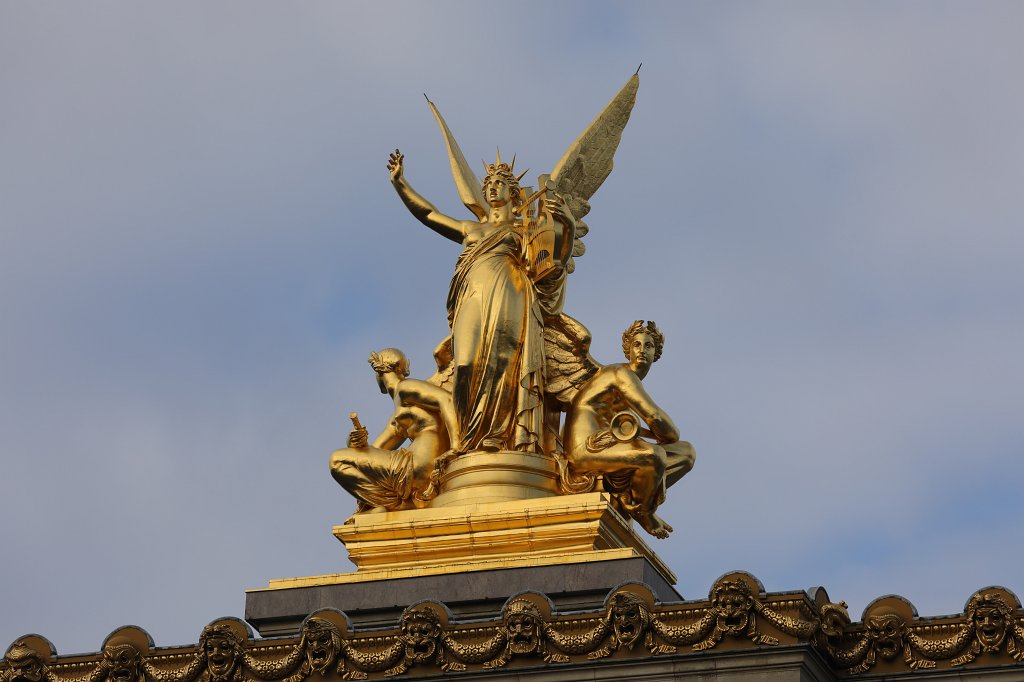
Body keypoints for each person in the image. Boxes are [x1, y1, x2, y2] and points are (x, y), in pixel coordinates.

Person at [387, 150, 575, 454]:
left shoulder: (525, 229)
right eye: (488, 183)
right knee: (465, 364)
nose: (492, 187)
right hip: (472, 296)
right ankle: (467, 438)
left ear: (513, 193)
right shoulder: (470, 229)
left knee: (505, 363)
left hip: (510, 294)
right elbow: (429, 215)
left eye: (499, 182)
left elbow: (554, 263)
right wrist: (400, 184)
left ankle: (498, 436)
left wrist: (568, 225)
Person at [563, 321, 695, 538]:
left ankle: (633, 495)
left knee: (686, 453)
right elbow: (655, 417)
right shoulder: (620, 374)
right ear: (628, 350)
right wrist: (665, 434)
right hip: (584, 448)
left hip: (607, 444)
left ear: (656, 353)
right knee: (654, 456)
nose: (642, 350)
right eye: (637, 344)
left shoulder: (622, 382)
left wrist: (656, 434)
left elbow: (636, 426)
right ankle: (642, 510)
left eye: (648, 346)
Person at [329, 348, 457, 513]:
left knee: (337, 460)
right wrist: (354, 442)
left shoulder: (406, 387)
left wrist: (456, 447)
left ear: (378, 371)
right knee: (347, 459)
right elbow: (371, 452)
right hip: (416, 467)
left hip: (419, 464)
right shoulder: (398, 416)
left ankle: (391, 504)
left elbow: (447, 400)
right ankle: (393, 505)